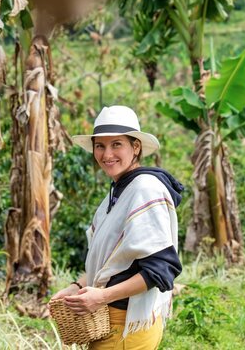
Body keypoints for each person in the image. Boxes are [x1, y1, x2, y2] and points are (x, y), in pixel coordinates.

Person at [50, 105, 183, 349]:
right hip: (108, 324)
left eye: (116, 144)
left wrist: (101, 296)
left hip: (125, 328)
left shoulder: (145, 190)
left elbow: (161, 269)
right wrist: (77, 286)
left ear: (136, 147)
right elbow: (112, 262)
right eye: (100, 146)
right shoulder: (118, 192)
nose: (106, 154)